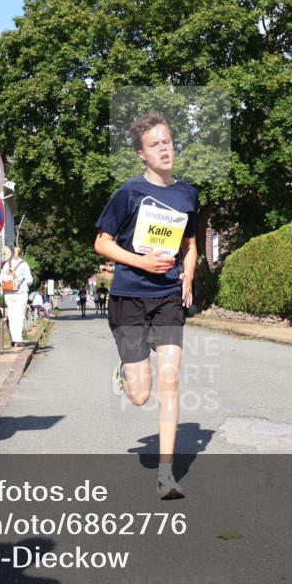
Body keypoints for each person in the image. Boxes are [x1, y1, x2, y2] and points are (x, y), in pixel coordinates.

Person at [94, 112, 198, 500]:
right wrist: (140, 261)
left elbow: (190, 244)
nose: (165, 149)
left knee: (170, 383)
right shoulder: (129, 193)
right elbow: (102, 243)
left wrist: (188, 273)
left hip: (168, 297)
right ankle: (126, 369)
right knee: (141, 394)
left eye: (168, 141)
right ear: (142, 153)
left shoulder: (187, 194)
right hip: (129, 297)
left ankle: (166, 474)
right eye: (155, 145)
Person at [1, 247, 34, 346]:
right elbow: (29, 280)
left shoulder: (7, 264)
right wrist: (21, 281)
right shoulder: (24, 264)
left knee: (11, 315)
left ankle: (13, 339)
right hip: (20, 293)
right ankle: (18, 340)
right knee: (19, 316)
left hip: (8, 292)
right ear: (22, 253)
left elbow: (1, 278)